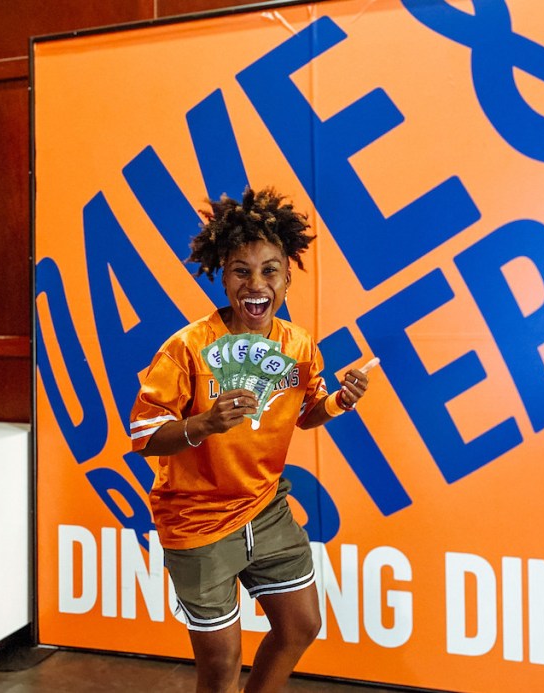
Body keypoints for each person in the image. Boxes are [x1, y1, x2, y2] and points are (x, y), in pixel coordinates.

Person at [130, 186, 372, 693]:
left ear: (287, 278)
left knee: (301, 624)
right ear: (221, 275)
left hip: (266, 508)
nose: (256, 283)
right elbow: (146, 436)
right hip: (197, 521)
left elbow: (307, 412)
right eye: (242, 270)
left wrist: (341, 401)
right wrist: (204, 424)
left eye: (270, 270)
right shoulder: (187, 348)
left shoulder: (299, 344)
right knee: (221, 665)